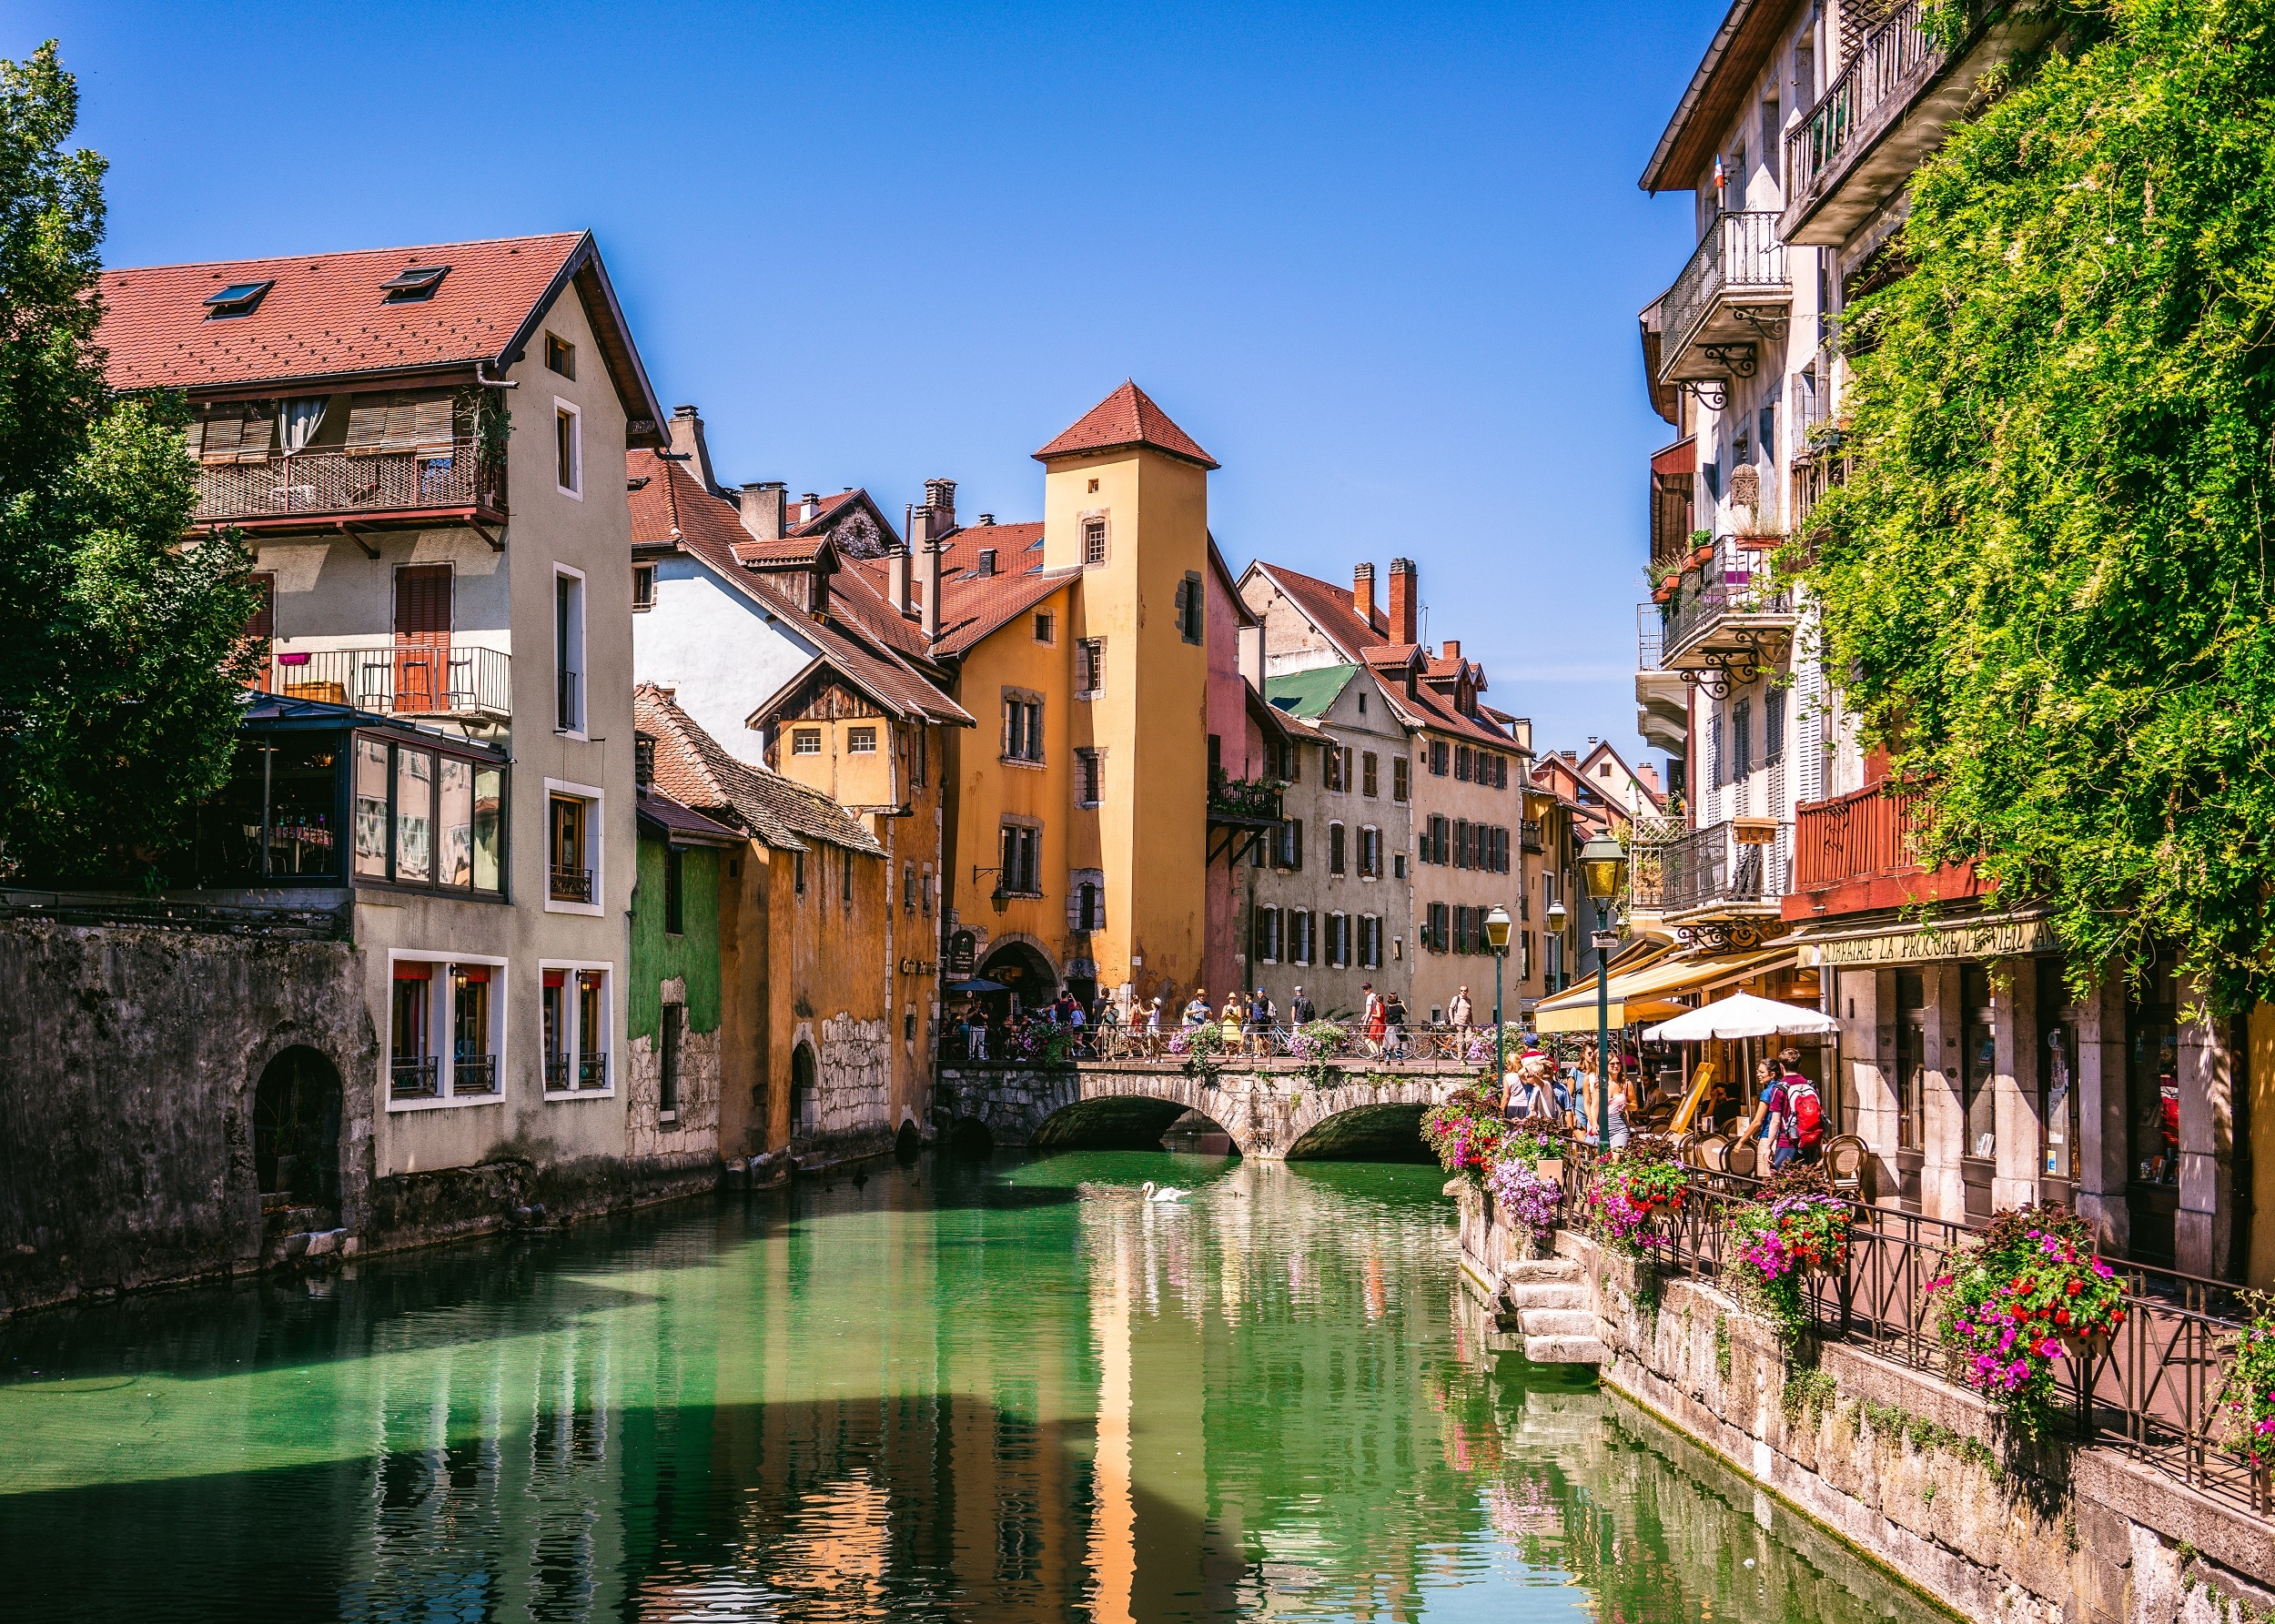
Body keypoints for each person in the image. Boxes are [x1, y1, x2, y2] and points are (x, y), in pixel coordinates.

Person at [1776, 1048, 1825, 1167]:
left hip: (1787, 1142)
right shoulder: (1811, 1086)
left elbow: (1775, 1121)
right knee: (1807, 1179)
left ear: (1781, 1066)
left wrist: (1768, 1147)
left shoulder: (1779, 1089)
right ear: (1799, 1064)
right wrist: (1819, 1145)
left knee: (1783, 1180)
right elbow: (1817, 1117)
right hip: (1810, 1141)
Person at [1382, 990, 1410, 1058]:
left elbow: (1385, 1017)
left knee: (1388, 1045)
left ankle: (1387, 1059)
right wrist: (1402, 1004)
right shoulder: (1399, 1007)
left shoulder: (1387, 1008)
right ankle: (1399, 1059)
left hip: (1389, 1028)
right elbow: (1406, 1013)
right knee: (1399, 1044)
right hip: (1398, 1028)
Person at [1361, 984, 1386, 1054]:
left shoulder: (1370, 998)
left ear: (1370, 989)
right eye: (1364, 989)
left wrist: (1365, 1020)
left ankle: (1375, 1053)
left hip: (1374, 1021)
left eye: (1366, 988)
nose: (1365, 990)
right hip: (1379, 1022)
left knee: (1366, 1038)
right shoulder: (1376, 998)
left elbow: (1370, 1011)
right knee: (1377, 1039)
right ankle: (1380, 1053)